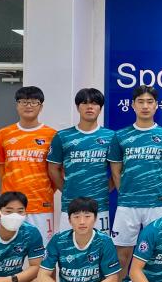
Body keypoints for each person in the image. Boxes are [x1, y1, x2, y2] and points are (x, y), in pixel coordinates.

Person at [108, 85, 162, 280]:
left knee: (158, 255)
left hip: (156, 205)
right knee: (122, 255)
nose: (145, 106)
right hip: (127, 205)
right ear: (133, 105)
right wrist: (125, 193)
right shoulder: (120, 136)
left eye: (150, 102)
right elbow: (115, 171)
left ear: (156, 105)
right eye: (141, 102)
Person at [0, 86, 57, 245]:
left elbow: (56, 171)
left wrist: (45, 190)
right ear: (17, 105)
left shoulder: (52, 135)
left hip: (41, 205)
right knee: (8, 250)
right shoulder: (3, 134)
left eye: (34, 102)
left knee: (42, 250)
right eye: (24, 102)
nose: (28, 105)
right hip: (10, 206)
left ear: (41, 106)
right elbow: (1, 168)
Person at [47, 88, 113, 234]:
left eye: (94, 103)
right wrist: (67, 189)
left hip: (100, 205)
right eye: (84, 103)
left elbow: (117, 170)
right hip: (70, 205)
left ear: (100, 108)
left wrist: (105, 188)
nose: (89, 107)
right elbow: (53, 169)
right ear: (77, 107)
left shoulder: (111, 137)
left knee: (99, 245)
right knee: (67, 244)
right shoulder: (62, 136)